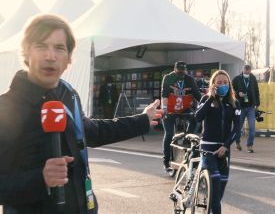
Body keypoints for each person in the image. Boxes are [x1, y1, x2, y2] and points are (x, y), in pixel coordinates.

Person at [0, 14, 163, 214]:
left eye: (59, 48)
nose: (50, 56)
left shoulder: (68, 95)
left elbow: (91, 132)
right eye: (41, 46)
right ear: (26, 53)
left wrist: (142, 120)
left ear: (69, 58)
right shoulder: (6, 108)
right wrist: (40, 179)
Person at [195, 70, 241, 214]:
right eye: (219, 82)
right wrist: (210, 98)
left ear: (229, 85)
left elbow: (237, 129)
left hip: (224, 150)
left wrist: (225, 146)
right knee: (214, 184)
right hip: (208, 148)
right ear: (213, 84)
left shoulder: (234, 103)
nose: (222, 85)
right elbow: (198, 117)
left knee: (219, 191)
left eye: (225, 82)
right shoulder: (205, 100)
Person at [161, 61, 201, 171]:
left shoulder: (190, 79)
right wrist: (164, 109)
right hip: (169, 109)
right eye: (178, 72)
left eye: (183, 72)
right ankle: (166, 162)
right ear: (174, 70)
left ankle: (187, 139)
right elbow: (164, 94)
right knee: (169, 134)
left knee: (195, 120)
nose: (181, 75)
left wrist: (205, 105)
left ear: (186, 71)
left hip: (184, 108)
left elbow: (197, 95)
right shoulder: (168, 78)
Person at [232, 64, 260, 153]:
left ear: (250, 70)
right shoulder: (236, 79)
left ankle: (249, 145)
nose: (247, 71)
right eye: (245, 69)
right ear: (243, 69)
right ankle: (237, 143)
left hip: (251, 106)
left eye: (248, 69)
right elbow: (231, 90)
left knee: (252, 127)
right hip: (240, 106)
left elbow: (256, 91)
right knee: (238, 127)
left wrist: (257, 103)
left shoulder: (253, 78)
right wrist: (237, 93)